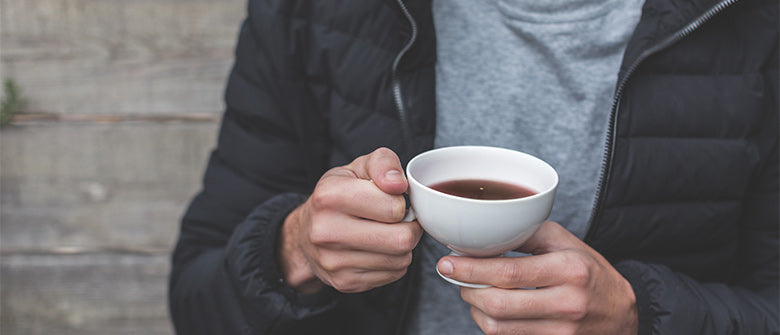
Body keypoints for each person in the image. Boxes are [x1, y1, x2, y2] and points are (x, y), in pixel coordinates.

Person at [168, 0, 778, 334]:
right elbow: (195, 301)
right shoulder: (313, 13)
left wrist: (639, 316)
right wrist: (293, 251)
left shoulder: (755, 26)